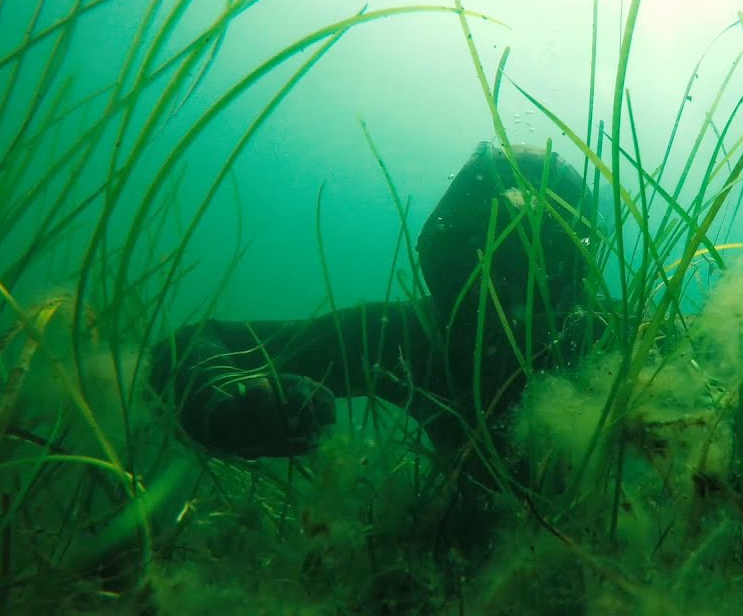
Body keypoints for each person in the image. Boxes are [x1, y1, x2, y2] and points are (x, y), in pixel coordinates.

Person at [148, 141, 601, 546]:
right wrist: (223, 403)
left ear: (568, 276)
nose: (503, 311)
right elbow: (195, 344)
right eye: (484, 276)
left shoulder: (607, 334)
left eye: (526, 277)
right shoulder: (412, 338)